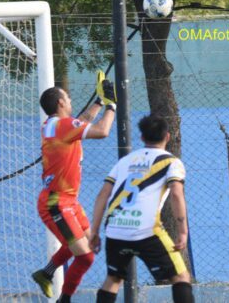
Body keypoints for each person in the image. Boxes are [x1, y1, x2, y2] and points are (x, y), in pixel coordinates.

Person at [31, 72, 117, 303]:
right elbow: (102, 131)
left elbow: (83, 120)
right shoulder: (64, 126)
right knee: (86, 257)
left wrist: (99, 101)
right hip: (56, 203)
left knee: (86, 244)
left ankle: (46, 273)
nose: (70, 101)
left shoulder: (55, 125)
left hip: (67, 200)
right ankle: (64, 299)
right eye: (67, 98)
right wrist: (112, 105)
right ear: (61, 102)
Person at [89, 114, 194, 303]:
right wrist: (182, 232)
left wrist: (94, 231)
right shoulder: (172, 162)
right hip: (146, 231)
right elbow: (176, 194)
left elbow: (102, 195)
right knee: (181, 277)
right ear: (167, 136)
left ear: (142, 137)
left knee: (113, 279)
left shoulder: (125, 161)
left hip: (116, 229)